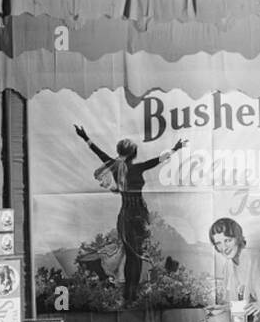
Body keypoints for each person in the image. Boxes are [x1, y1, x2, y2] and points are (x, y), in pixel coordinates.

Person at [74, 124, 185, 304]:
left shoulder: (115, 166)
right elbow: (159, 159)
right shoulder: (137, 168)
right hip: (138, 215)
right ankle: (132, 294)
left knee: (132, 255)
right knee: (136, 256)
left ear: (120, 151)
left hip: (126, 216)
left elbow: (97, 151)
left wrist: (84, 136)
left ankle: (129, 295)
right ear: (133, 153)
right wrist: (175, 148)